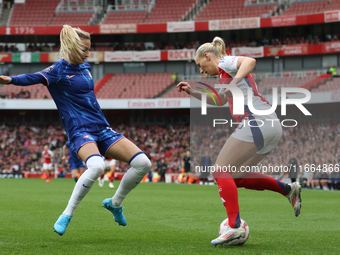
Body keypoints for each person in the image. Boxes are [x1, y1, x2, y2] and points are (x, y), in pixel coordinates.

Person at [0, 25, 152, 236]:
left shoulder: (86, 67)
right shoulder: (57, 71)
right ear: (71, 47)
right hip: (81, 131)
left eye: (89, 49)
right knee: (97, 166)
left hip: (102, 127)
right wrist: (9, 80)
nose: (88, 54)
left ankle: (115, 203)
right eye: (84, 49)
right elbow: (33, 77)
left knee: (143, 163)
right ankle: (67, 214)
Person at [176, 36, 301, 245]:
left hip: (256, 121)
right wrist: (193, 91)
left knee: (219, 171)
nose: (201, 71)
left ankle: (234, 227)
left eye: (200, 65)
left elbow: (250, 61)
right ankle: (288, 189)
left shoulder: (225, 62)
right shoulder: (225, 73)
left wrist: (233, 83)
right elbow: (219, 99)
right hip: (270, 125)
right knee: (236, 176)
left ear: (208, 56)